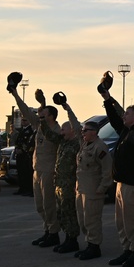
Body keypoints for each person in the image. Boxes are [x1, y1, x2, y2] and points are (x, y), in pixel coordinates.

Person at [100, 86, 134, 267]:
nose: (124, 116)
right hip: (121, 184)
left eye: (127, 114)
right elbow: (115, 118)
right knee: (121, 221)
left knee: (133, 220)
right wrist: (107, 99)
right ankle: (127, 249)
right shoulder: (127, 131)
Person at [10, 84, 62, 248]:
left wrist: (44, 103)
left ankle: (53, 234)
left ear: (51, 116)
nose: (39, 116)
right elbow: (25, 111)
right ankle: (47, 231)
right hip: (37, 169)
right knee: (39, 205)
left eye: (43, 114)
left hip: (49, 170)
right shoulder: (39, 126)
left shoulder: (57, 130)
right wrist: (15, 93)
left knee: (49, 204)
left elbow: (53, 139)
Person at [40, 102, 82, 254]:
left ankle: (72, 240)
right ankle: (67, 238)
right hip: (60, 184)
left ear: (72, 131)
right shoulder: (63, 142)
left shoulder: (77, 144)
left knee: (70, 212)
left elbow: (77, 127)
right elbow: (49, 135)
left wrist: (68, 109)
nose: (61, 131)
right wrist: (42, 119)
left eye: (64, 129)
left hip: (70, 184)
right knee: (62, 212)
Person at [74, 119, 113, 260]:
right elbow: (74, 125)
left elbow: (107, 170)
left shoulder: (100, 147)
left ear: (94, 132)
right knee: (83, 220)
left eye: (85, 130)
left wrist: (102, 188)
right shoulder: (85, 144)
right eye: (83, 130)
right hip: (81, 189)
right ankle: (89, 244)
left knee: (92, 220)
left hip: (93, 190)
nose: (82, 133)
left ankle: (94, 246)